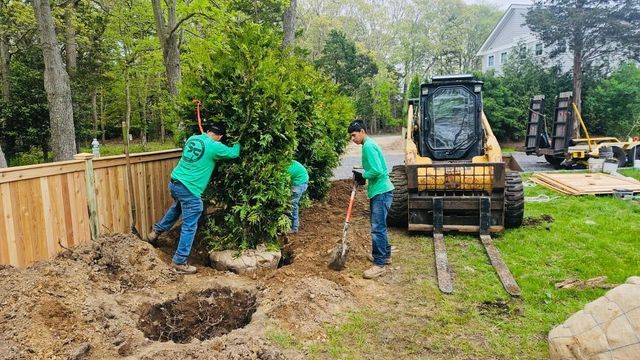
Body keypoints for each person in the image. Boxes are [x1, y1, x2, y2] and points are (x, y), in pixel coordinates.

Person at [147, 124, 240, 274]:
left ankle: (155, 233)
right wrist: (238, 139)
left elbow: (203, 145)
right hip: (189, 189)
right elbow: (234, 153)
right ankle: (179, 261)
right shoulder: (215, 147)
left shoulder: (193, 138)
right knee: (190, 225)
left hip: (175, 183)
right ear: (220, 137)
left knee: (177, 207)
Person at [348, 120, 395, 279]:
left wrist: (363, 175)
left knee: (377, 228)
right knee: (380, 226)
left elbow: (377, 170)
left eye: (354, 135)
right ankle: (385, 255)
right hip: (381, 191)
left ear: (362, 131)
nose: (352, 139)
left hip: (381, 193)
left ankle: (379, 264)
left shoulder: (368, 146)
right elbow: (374, 168)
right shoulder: (368, 145)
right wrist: (363, 172)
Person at [287, 160, 309, 234]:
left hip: (299, 183)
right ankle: (288, 226)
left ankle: (294, 228)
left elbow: (283, 182)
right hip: (299, 181)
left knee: (291, 204)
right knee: (289, 204)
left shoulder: (286, 168)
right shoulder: (287, 163)